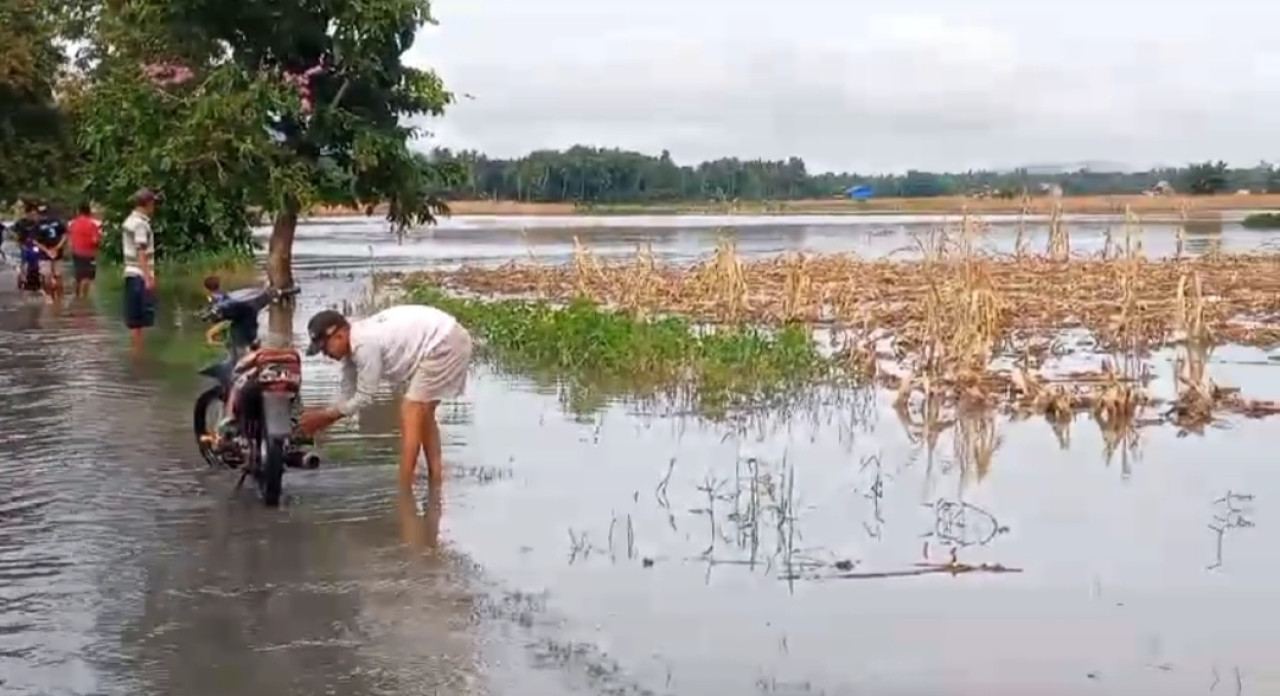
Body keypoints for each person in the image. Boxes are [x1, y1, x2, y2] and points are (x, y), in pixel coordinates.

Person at [298, 305, 474, 489]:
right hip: (445, 337)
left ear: (339, 335)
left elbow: (365, 396)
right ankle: (435, 477)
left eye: (325, 349)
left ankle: (405, 486)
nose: (326, 355)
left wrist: (326, 417)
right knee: (423, 412)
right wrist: (323, 416)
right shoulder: (353, 348)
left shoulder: (364, 345)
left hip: (445, 342)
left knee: (411, 409)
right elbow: (348, 393)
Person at [122, 188, 159, 351]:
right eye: (154, 204)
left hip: (131, 273)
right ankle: (138, 357)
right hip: (139, 274)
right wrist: (148, 278)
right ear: (148, 203)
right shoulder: (140, 225)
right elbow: (141, 251)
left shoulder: (130, 220)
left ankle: (137, 356)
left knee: (136, 323)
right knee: (139, 323)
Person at [66, 202, 102, 299]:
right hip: (89, 253)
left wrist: (69, 250)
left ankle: (76, 295)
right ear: (89, 211)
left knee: (78, 275)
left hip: (76, 252)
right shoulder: (93, 224)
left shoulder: (72, 223)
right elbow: (96, 240)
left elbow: (69, 239)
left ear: (78, 211)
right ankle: (83, 299)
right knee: (87, 277)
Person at [34, 204, 67, 301]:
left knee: (47, 276)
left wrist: (48, 251)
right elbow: (65, 235)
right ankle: (60, 299)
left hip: (45, 254)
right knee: (58, 275)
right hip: (56, 252)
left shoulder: (38, 225)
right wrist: (57, 248)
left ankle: (50, 298)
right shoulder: (57, 222)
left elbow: (35, 241)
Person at [11, 202, 41, 293]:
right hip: (24, 246)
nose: (34, 216)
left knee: (37, 263)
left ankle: (37, 281)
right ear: (27, 213)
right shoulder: (21, 223)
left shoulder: (38, 223)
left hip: (36, 246)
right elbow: (14, 233)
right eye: (32, 214)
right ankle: (22, 280)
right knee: (24, 263)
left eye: (35, 214)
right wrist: (19, 242)